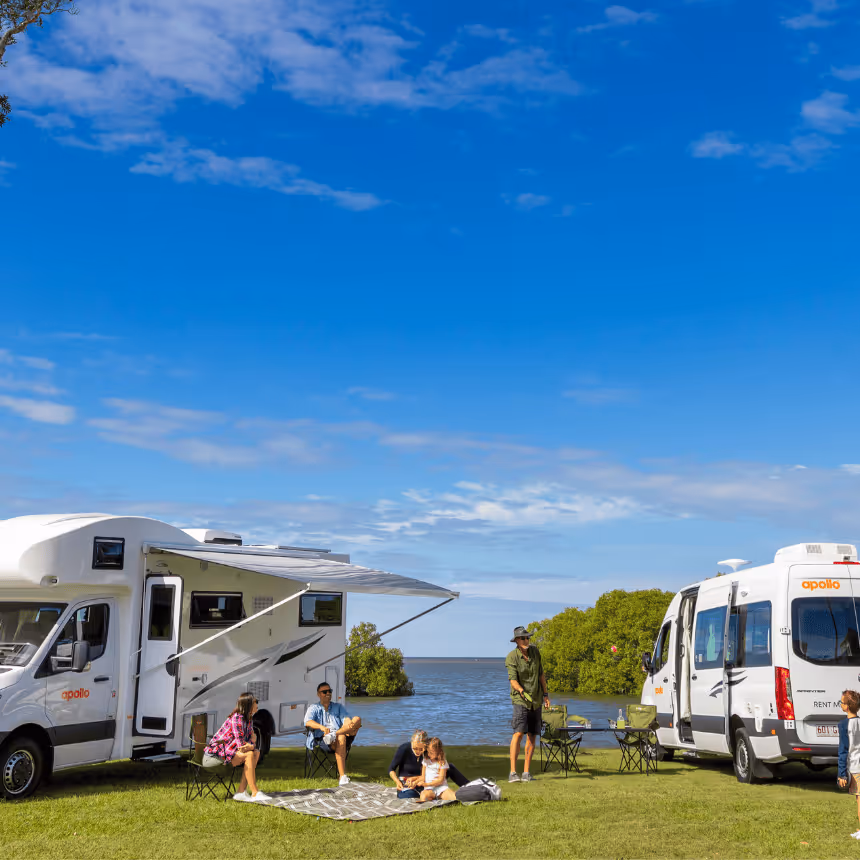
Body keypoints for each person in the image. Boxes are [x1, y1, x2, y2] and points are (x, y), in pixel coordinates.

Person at [203, 692, 271, 803]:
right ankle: (254, 792)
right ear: (248, 705)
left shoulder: (248, 719)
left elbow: (250, 741)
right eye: (255, 702)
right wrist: (251, 743)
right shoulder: (237, 718)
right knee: (249, 754)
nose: (257, 704)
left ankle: (241, 792)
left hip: (227, 753)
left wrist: (251, 744)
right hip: (214, 757)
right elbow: (242, 746)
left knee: (256, 753)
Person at [505, 625, 550, 783]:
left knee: (532, 735)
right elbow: (513, 680)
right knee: (518, 733)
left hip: (536, 699)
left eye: (528, 638)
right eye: (523, 638)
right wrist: (521, 691)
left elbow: (541, 675)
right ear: (517, 641)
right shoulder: (512, 657)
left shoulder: (535, 652)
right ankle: (512, 773)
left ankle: (526, 773)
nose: (526, 640)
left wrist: (545, 695)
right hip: (520, 699)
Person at [304, 681, 362, 785]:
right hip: (323, 739)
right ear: (318, 694)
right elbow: (308, 722)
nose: (328, 694)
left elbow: (347, 720)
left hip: (340, 734)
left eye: (329, 691)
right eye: (324, 692)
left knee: (357, 719)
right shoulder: (314, 708)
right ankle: (342, 776)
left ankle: (335, 734)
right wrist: (321, 727)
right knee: (341, 738)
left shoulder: (338, 707)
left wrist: (349, 725)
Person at [389, 730, 470, 798]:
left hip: (425, 780)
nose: (418, 752)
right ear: (411, 743)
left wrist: (417, 780)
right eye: (415, 748)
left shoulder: (428, 753)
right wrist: (397, 782)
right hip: (408, 783)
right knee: (409, 795)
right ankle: (427, 794)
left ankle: (470, 787)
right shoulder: (403, 749)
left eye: (421, 749)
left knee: (450, 767)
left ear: (426, 746)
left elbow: (433, 769)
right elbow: (391, 769)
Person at [837, 689, 860, 838]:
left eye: (841, 702)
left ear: (846, 706)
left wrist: (841, 774)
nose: (840, 704)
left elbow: (843, 751)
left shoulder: (844, 725)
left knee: (859, 799)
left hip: (855, 767)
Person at [415, 737, 457, 803]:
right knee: (423, 795)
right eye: (428, 752)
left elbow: (440, 780)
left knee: (454, 797)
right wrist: (415, 782)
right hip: (429, 789)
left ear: (438, 751)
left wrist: (426, 784)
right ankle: (426, 802)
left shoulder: (442, 762)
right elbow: (423, 777)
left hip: (442, 788)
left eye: (431, 753)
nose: (429, 754)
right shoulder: (426, 760)